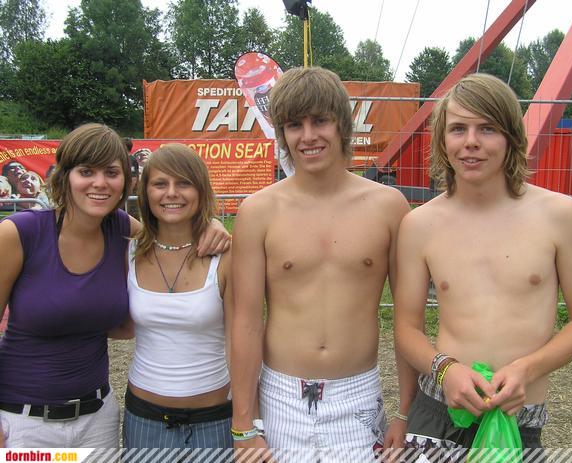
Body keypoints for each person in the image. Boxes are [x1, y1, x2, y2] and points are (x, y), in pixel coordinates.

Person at [394, 73, 572, 455]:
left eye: (487, 128)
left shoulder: (559, 215)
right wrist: (445, 369)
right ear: (442, 140)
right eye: (458, 129)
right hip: (439, 412)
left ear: (511, 137)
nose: (471, 142)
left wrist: (528, 369)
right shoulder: (420, 225)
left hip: (518, 420)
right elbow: (407, 328)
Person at [0, 123, 230, 448]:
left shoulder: (121, 230)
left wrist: (211, 224)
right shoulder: (20, 233)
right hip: (25, 423)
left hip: (97, 418)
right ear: (65, 176)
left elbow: (171, 233)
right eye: (86, 171)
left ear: (126, 181)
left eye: (111, 172)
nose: (100, 183)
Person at [230, 67, 411, 459]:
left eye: (320, 121)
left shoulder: (388, 207)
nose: (308, 136)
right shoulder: (258, 212)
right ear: (282, 133)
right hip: (281, 397)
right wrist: (243, 423)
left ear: (342, 125)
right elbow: (245, 321)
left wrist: (405, 412)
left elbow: (408, 319)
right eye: (295, 125)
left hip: (358, 396)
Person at [123, 144, 233, 451]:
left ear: (200, 190)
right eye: (160, 184)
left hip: (214, 420)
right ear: (146, 192)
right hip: (144, 419)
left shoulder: (226, 255)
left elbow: (244, 338)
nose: (171, 193)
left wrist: (249, 418)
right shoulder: (128, 250)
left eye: (184, 183)